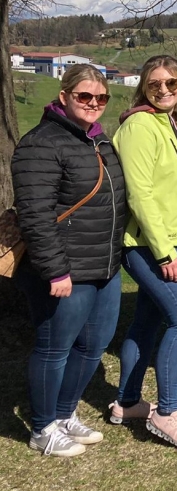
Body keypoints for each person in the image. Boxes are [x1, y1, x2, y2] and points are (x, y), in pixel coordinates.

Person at [12, 64, 127, 457]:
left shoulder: (98, 141)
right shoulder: (41, 143)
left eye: (101, 98)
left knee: (93, 346)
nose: (93, 103)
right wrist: (55, 269)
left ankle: (64, 415)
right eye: (84, 96)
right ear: (64, 97)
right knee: (54, 349)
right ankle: (43, 428)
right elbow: (34, 214)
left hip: (104, 266)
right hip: (66, 270)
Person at [109, 55, 177, 448]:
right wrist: (165, 253)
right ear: (143, 88)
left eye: (172, 83)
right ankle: (168, 412)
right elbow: (140, 195)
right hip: (149, 243)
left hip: (175, 235)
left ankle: (127, 402)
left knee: (147, 322)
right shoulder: (139, 126)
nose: (164, 90)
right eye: (155, 84)